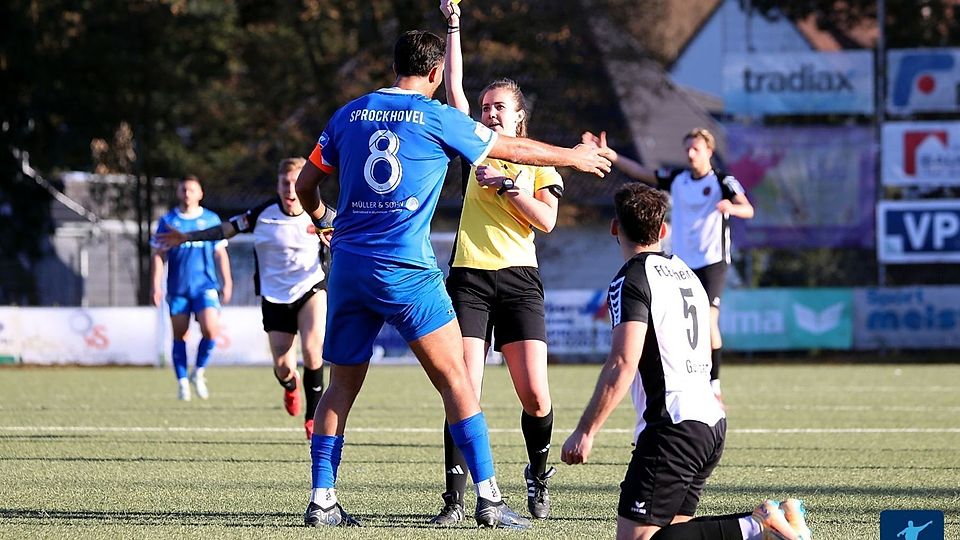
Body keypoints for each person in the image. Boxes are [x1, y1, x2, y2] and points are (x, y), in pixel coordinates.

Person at [295, 30, 613, 529]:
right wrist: (571, 157)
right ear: (436, 73)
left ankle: (322, 500)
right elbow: (511, 149)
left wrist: (326, 223)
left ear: (394, 64)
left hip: (351, 269)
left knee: (340, 388)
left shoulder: (348, 114)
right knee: (458, 382)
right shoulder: (436, 117)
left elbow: (304, 184)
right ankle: (488, 499)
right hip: (406, 270)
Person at [560, 183, 810, 540]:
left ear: (615, 227)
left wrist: (586, 431)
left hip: (673, 427)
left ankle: (758, 524)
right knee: (674, 531)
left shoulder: (631, 279)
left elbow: (622, 362)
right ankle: (771, 519)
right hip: (708, 422)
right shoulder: (687, 273)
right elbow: (708, 338)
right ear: (663, 231)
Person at [427, 0, 559, 526]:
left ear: (519, 116)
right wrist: (454, 24)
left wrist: (507, 188)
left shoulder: (538, 157)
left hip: (521, 281)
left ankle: (537, 472)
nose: (488, 113)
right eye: (484, 107)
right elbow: (454, 88)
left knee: (535, 395)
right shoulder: (476, 145)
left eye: (498, 107)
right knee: (464, 388)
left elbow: (545, 221)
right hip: (469, 278)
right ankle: (455, 501)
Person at [155, 158, 329, 438]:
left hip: (310, 288)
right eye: (285, 183)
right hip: (274, 296)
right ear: (278, 184)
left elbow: (348, 233)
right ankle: (290, 385)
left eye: (296, 183)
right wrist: (186, 237)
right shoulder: (261, 213)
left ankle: (313, 419)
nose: (290, 189)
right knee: (283, 366)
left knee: (312, 350)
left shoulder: (319, 213)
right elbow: (225, 230)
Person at [582, 128, 754, 401]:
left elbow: (748, 208)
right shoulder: (678, 179)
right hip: (683, 262)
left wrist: (731, 208)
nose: (690, 154)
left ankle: (714, 386)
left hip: (712, 260)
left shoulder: (723, 181)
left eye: (696, 149)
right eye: (687, 148)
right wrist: (612, 155)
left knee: (708, 322)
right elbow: (643, 173)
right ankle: (684, 376)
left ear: (708, 151)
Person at [150, 175, 233, 401]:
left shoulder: (210, 219)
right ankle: (182, 381)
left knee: (210, 330)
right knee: (180, 334)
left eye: (191, 190)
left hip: (205, 286)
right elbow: (158, 255)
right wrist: (156, 286)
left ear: (200, 193)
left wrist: (227, 282)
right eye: (183, 189)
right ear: (178, 193)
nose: (187, 193)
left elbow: (220, 252)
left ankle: (198, 372)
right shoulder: (168, 221)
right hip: (178, 288)